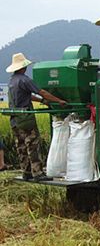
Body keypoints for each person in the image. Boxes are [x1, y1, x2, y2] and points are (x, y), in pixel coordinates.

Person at [6, 52, 67, 181]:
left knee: (21, 146)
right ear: (23, 67)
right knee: (33, 144)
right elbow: (41, 92)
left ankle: (26, 172)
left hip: (14, 118)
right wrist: (58, 101)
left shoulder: (12, 81)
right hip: (25, 118)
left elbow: (27, 96)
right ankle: (38, 172)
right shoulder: (25, 79)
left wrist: (42, 101)